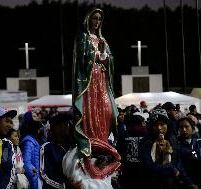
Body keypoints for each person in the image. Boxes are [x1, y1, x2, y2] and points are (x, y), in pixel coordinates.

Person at [71, 7, 120, 183]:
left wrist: (106, 56)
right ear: (88, 20)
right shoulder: (83, 37)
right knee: (91, 109)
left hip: (101, 80)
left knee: (106, 111)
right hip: (89, 82)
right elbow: (82, 59)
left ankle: (102, 140)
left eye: (100, 19)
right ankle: (91, 140)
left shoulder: (103, 39)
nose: (97, 21)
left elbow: (111, 60)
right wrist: (96, 53)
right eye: (94, 18)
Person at [139, 108, 197, 189]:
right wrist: (171, 169)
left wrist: (188, 181)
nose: (159, 128)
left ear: (167, 125)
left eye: (162, 124)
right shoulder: (146, 142)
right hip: (152, 183)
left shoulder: (173, 139)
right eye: (155, 125)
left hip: (171, 184)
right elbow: (148, 166)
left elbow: (178, 162)